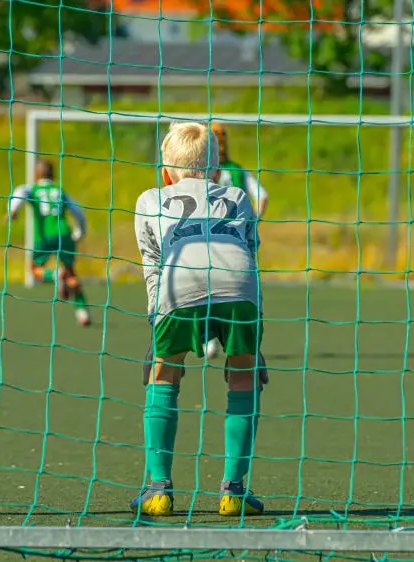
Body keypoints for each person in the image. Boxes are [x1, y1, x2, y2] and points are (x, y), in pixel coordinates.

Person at [132, 122, 266, 517]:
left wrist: (157, 324)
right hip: (239, 283)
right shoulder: (239, 196)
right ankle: (233, 492)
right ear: (217, 171)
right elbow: (250, 255)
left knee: (164, 371)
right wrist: (254, 343)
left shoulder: (149, 198)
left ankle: (159, 489)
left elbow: (152, 266)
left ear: (165, 172)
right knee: (243, 372)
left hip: (179, 280)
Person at [204, 123, 270, 359]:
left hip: (212, 238)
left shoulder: (205, 170)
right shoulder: (239, 170)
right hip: (240, 239)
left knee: (210, 286)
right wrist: (253, 221)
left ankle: (211, 337)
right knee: (241, 288)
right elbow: (262, 195)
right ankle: (239, 338)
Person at [6, 159, 91, 327]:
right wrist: (79, 232)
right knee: (71, 274)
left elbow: (20, 192)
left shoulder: (33, 189)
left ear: (36, 174)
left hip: (43, 236)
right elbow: (78, 213)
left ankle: (55, 276)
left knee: (35, 271)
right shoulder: (60, 191)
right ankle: (83, 313)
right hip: (64, 234)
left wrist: (13, 209)